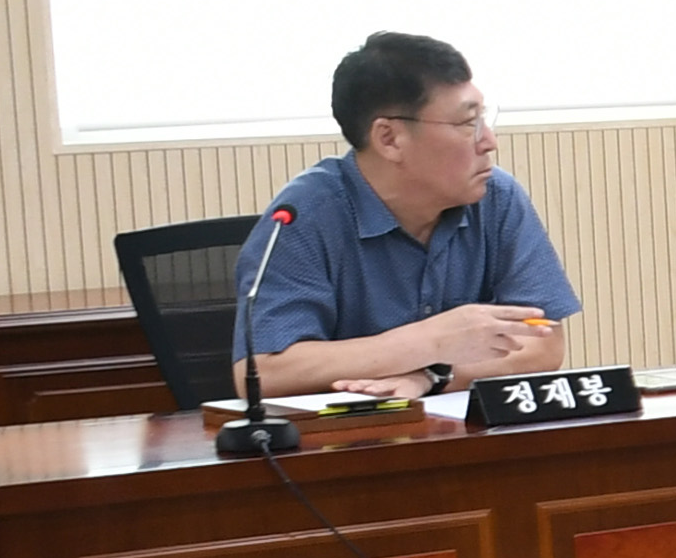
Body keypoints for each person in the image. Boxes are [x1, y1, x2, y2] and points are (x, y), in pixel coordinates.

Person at [241, 33, 575, 397]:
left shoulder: (496, 197)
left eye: (483, 118)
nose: (488, 141)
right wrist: (428, 342)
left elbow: (543, 342)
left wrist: (433, 375)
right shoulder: (304, 215)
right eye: (467, 124)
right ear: (389, 139)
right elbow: (264, 372)